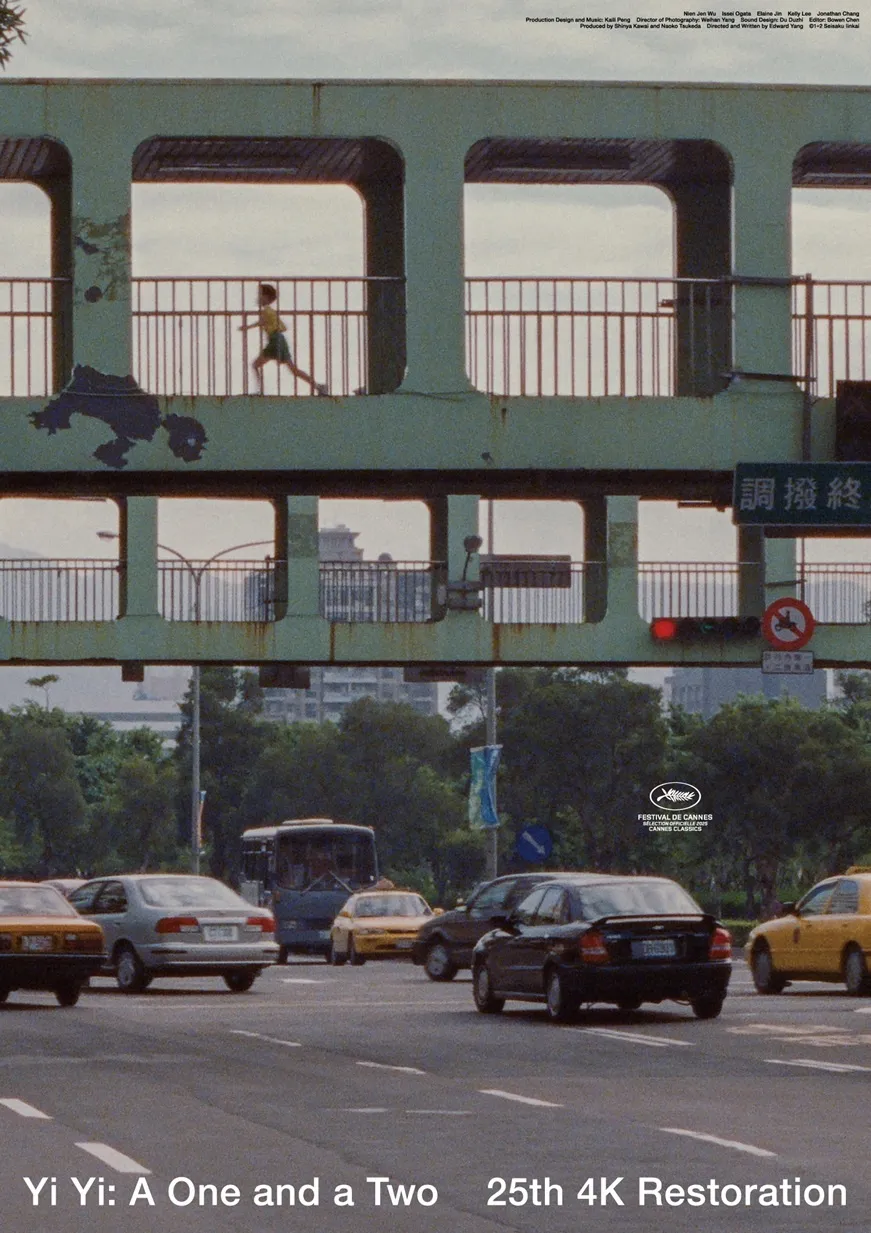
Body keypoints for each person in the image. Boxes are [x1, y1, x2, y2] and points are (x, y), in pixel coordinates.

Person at [241, 283, 328, 395]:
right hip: (280, 340)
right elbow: (283, 327)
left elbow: (262, 322)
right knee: (294, 370)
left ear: (266, 297)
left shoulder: (266, 310)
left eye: (260, 294)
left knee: (255, 365)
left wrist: (246, 327)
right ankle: (318, 386)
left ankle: (260, 390)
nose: (258, 297)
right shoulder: (271, 311)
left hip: (274, 341)